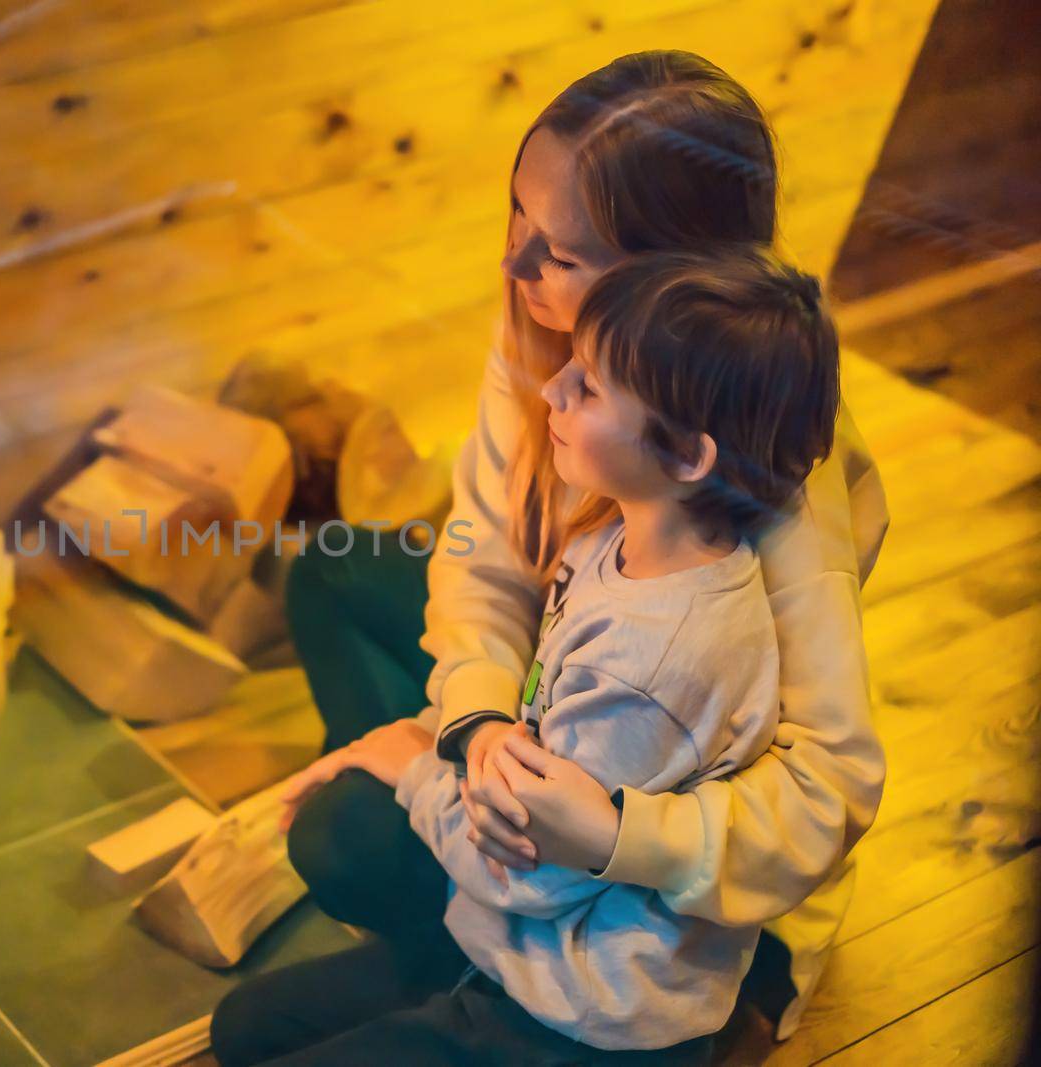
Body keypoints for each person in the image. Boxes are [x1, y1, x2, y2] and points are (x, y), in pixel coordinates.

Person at [210, 49, 889, 1063]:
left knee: (348, 831)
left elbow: (825, 789)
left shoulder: (772, 480)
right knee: (335, 572)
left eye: (560, 253)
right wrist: (477, 721)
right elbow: (480, 552)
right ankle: (474, 938)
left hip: (670, 904)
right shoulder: (554, 347)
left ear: (675, 276)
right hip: (557, 746)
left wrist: (595, 824)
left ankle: (520, 966)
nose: (515, 267)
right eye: (517, 220)